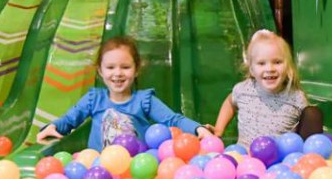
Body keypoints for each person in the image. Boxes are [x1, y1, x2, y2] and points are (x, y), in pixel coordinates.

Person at [36, 35, 211, 150]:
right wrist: (52, 127)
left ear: (136, 70)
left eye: (125, 67)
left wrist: (198, 129)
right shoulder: (93, 99)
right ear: (100, 70)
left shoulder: (144, 100)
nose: (117, 73)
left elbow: (173, 119)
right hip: (99, 170)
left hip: (137, 169)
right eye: (110, 67)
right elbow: (68, 120)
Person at [213, 29, 324, 148]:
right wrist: (219, 129)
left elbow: (308, 125)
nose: (270, 68)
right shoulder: (243, 89)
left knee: (313, 113)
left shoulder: (295, 97)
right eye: (261, 63)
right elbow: (230, 102)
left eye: (277, 62)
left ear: (288, 67)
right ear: (251, 69)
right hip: (245, 159)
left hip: (279, 161)